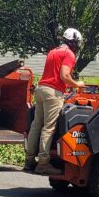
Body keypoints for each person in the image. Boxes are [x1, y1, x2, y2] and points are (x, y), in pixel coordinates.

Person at [25, 28, 85, 175]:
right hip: (53, 93)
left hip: (41, 89)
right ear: (74, 42)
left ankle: (29, 161)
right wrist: (77, 84)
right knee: (48, 128)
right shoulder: (69, 54)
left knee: (36, 126)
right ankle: (43, 164)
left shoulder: (53, 51)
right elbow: (64, 75)